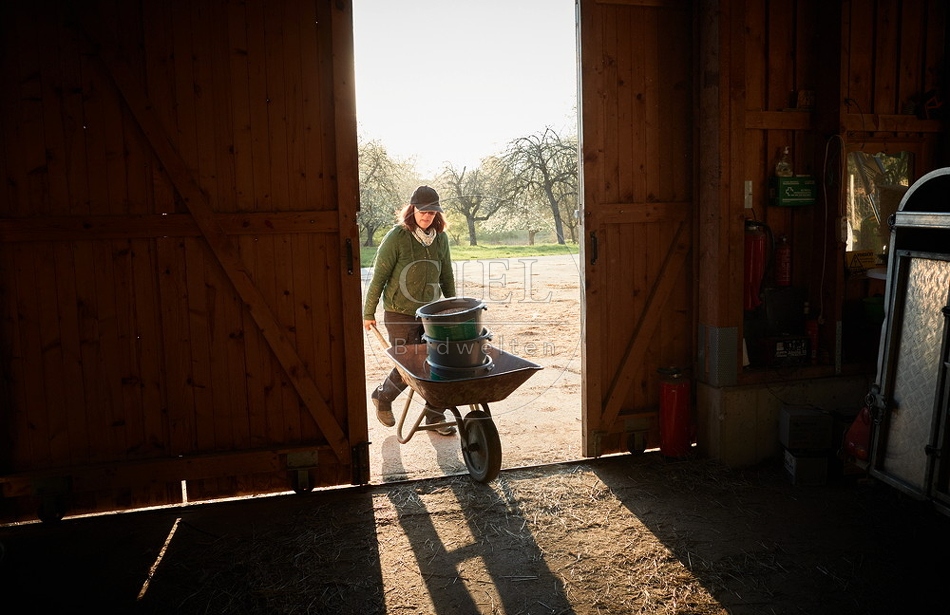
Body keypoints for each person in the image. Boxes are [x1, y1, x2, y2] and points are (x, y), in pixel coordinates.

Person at [363, 185, 457, 435]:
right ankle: (383, 396)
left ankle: (434, 415)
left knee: (438, 362)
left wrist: (454, 308)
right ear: (412, 209)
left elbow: (446, 274)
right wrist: (368, 312)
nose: (426, 216)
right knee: (410, 364)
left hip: (430, 313)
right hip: (399, 313)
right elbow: (379, 276)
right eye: (422, 211)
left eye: (432, 212)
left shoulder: (441, 238)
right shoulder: (397, 236)